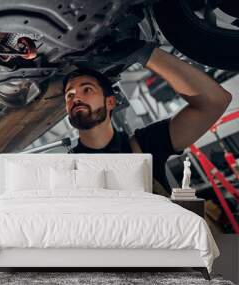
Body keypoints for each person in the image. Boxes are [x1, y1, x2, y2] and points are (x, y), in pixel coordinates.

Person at [64, 41, 232, 195]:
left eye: (87, 89)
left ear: (110, 102)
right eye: (69, 95)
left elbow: (214, 102)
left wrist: (143, 53)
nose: (76, 98)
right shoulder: (68, 170)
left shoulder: (145, 144)